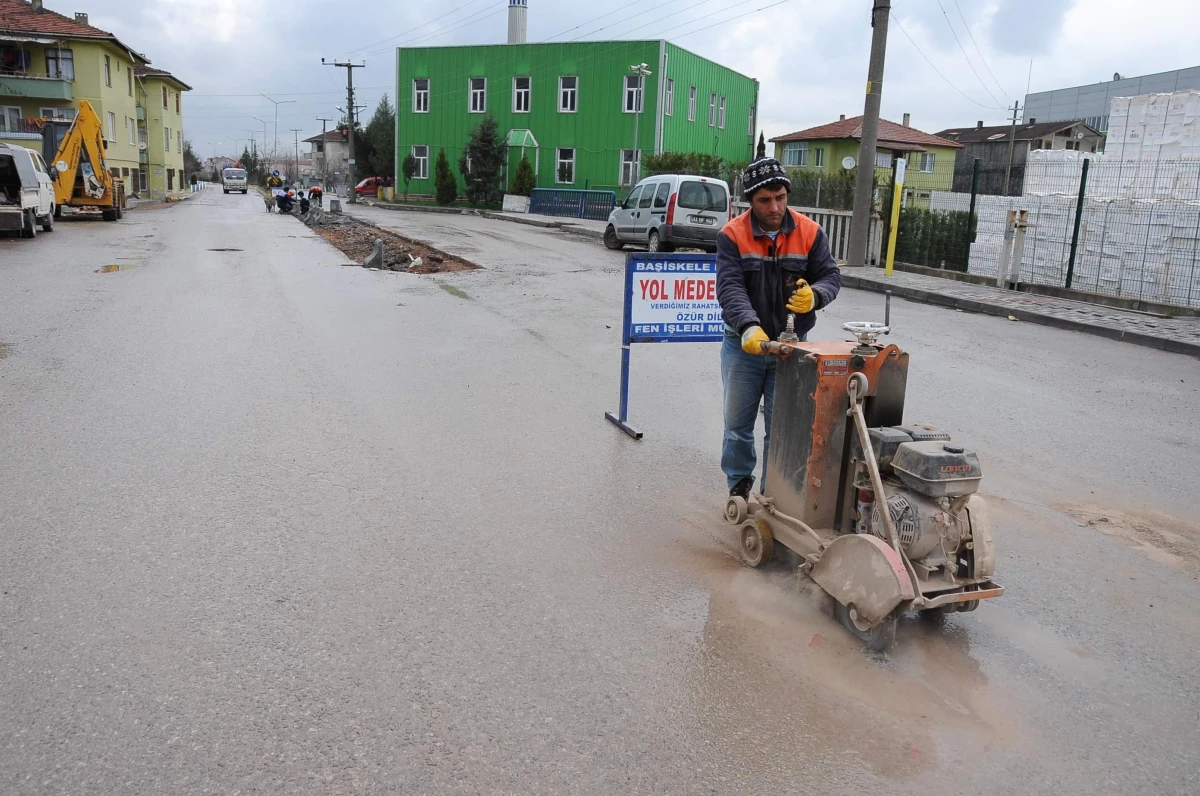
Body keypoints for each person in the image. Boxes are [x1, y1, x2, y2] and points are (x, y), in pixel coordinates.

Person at [715, 157, 843, 500]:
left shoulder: (810, 232)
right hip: (744, 347)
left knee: (782, 427)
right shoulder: (732, 235)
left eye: (781, 197)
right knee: (738, 424)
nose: (775, 207)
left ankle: (772, 493)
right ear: (751, 200)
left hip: (790, 348)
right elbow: (730, 287)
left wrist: (816, 296)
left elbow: (831, 275)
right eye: (765, 200)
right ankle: (738, 485)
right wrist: (748, 326)